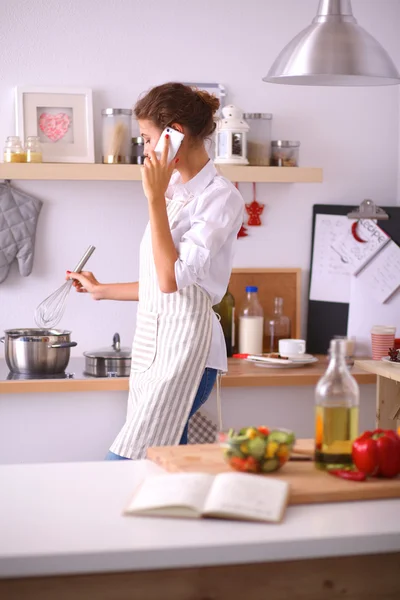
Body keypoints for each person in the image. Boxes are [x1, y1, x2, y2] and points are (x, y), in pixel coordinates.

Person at [67, 82, 244, 460]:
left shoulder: (220, 197)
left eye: (147, 139)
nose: (145, 151)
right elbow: (162, 284)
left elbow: (170, 280)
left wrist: (153, 199)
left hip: (188, 352)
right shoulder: (174, 192)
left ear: (175, 134)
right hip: (154, 344)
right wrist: (101, 290)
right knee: (163, 464)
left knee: (125, 460)